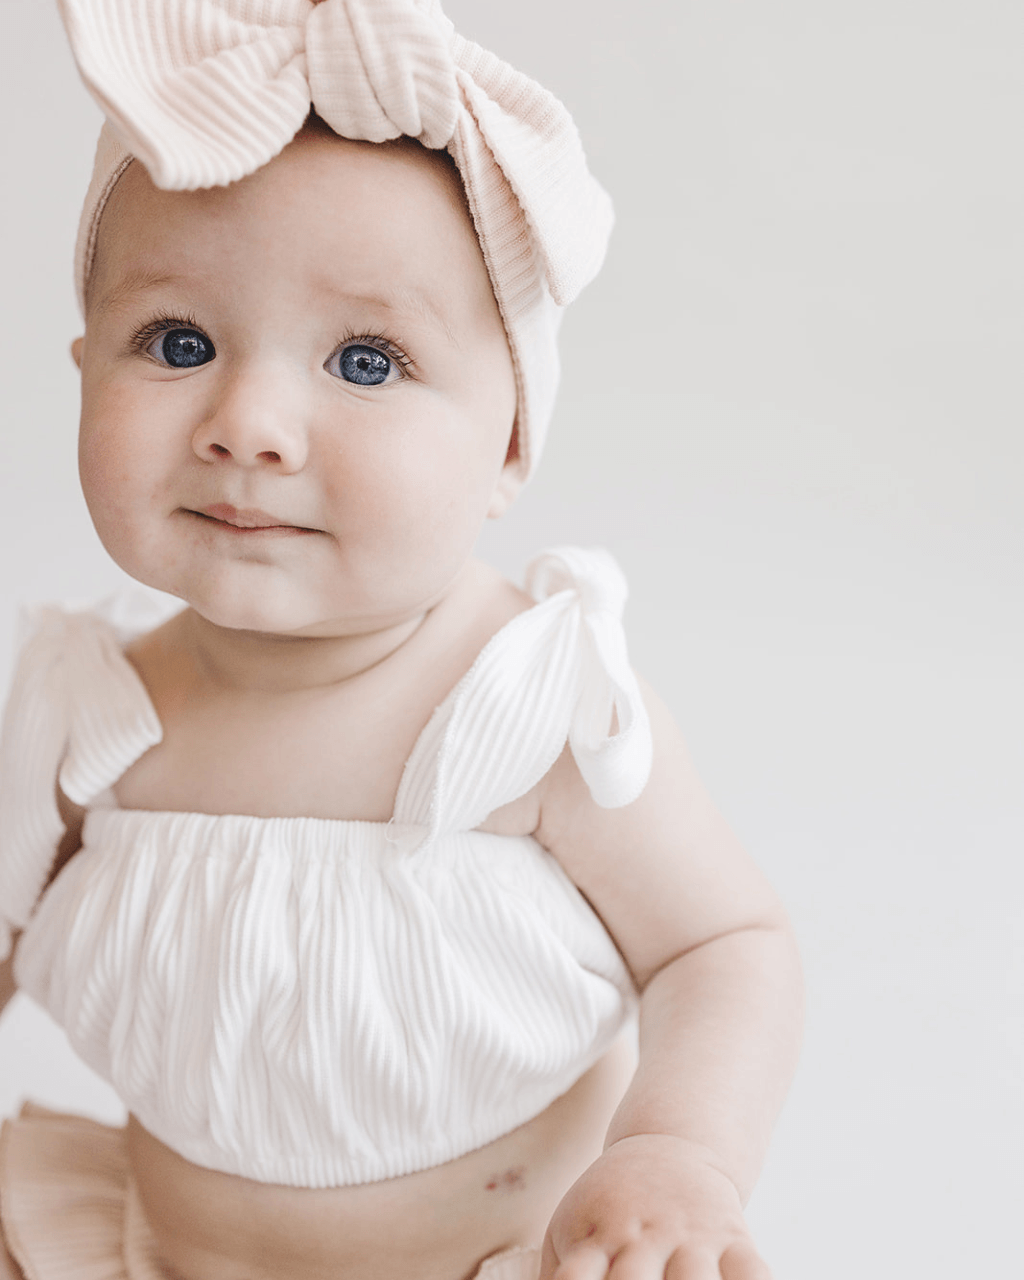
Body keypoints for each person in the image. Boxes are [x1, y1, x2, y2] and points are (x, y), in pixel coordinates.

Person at [0, 2, 803, 1278]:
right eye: (180, 342)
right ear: (82, 365)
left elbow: (723, 946)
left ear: (511, 444)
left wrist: (677, 1152)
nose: (249, 421)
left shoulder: (540, 711)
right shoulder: (86, 718)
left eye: (366, 360)